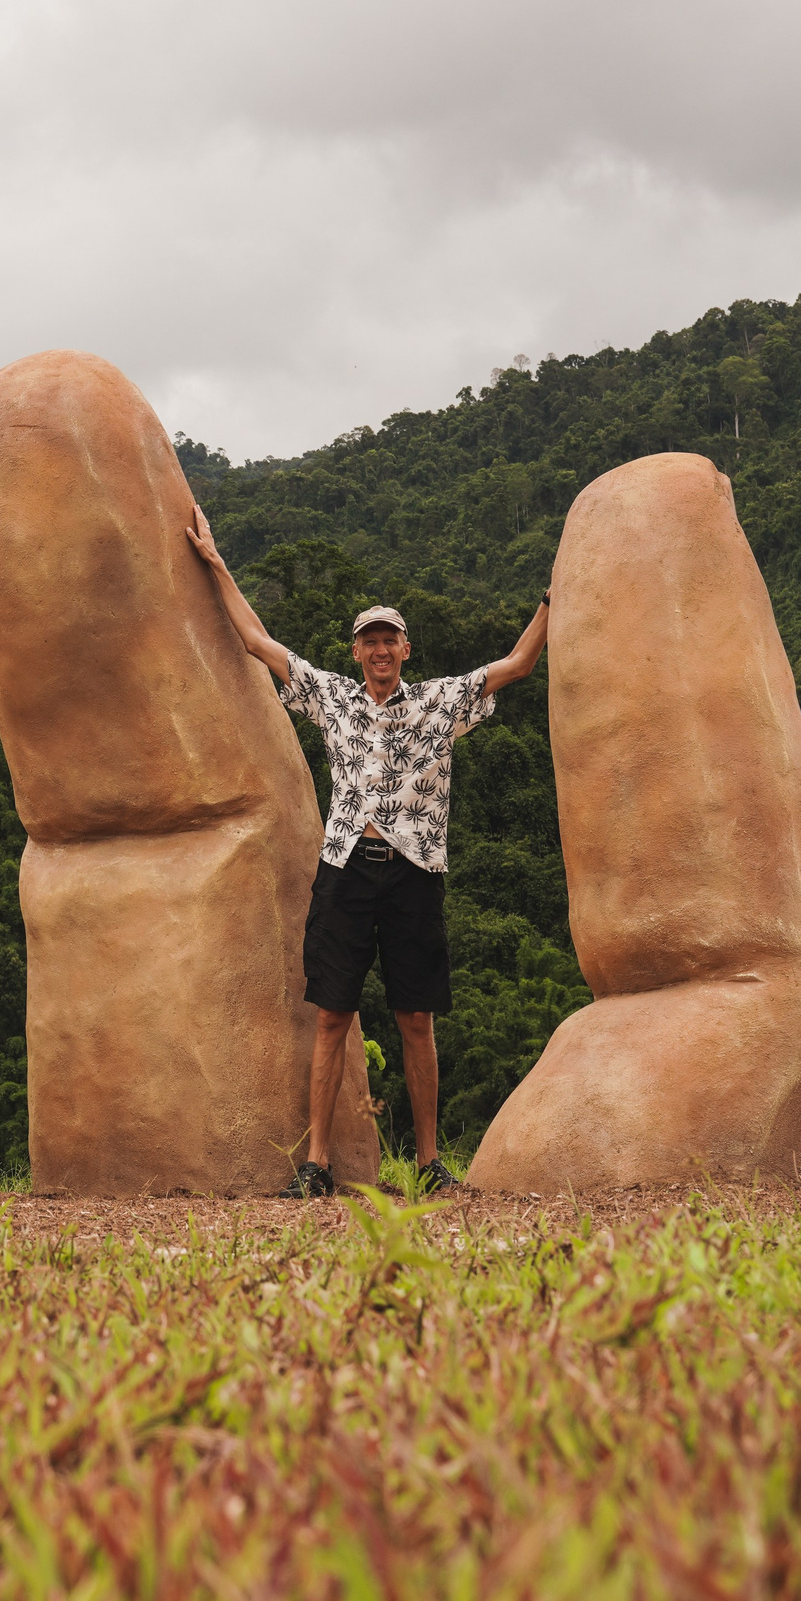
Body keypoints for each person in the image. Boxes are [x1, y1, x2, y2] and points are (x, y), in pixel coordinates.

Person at [186, 503, 549, 1197]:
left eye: (391, 641)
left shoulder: (442, 702)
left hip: (414, 873)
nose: (380, 651)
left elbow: (520, 663)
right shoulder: (334, 700)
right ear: (356, 651)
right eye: (369, 641)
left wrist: (553, 599)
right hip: (346, 870)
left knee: (417, 1019)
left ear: (406, 649)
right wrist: (214, 562)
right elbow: (259, 642)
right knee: (332, 1015)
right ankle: (317, 1164)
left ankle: (428, 1164)